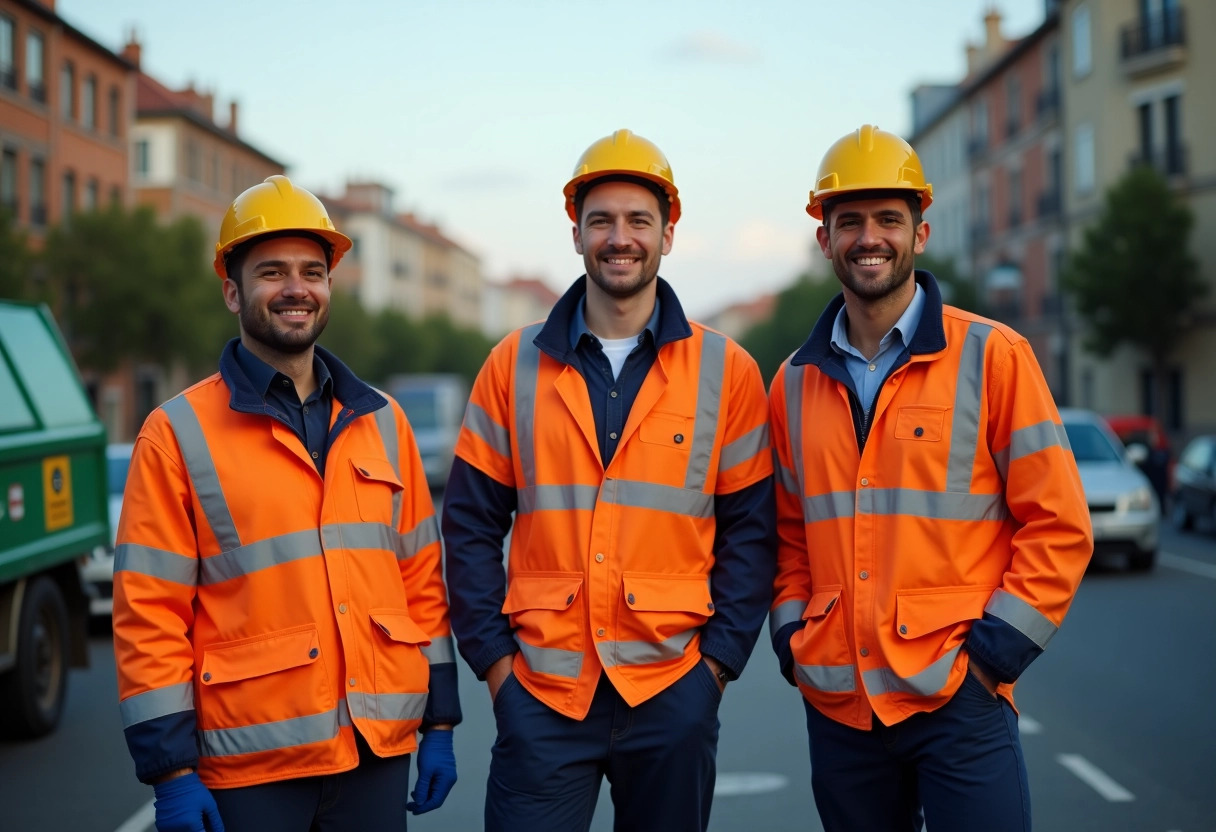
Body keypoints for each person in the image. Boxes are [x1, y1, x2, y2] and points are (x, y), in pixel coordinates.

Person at [441, 129, 776, 832]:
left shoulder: (728, 372)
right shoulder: (512, 365)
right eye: (601, 221)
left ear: (668, 233)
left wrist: (713, 672)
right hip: (543, 696)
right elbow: (470, 527)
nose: (618, 238)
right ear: (576, 233)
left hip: (671, 693)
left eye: (637, 221)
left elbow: (753, 533)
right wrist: (499, 673)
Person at [767, 125, 1093, 832]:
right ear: (823, 238)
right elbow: (789, 533)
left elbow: (1060, 525)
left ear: (921, 231)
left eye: (889, 219)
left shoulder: (994, 356)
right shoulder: (791, 383)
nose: (868, 237)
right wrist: (795, 636)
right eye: (848, 221)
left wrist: (992, 658)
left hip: (957, 697)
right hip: (840, 702)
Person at [112, 175, 461, 832]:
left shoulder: (383, 422)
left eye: (312, 271)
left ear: (329, 287)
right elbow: (148, 612)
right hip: (250, 768)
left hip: (375, 751)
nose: (296, 288)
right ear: (231, 290)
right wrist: (172, 771)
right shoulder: (176, 432)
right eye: (271, 271)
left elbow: (419, 584)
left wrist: (440, 721)